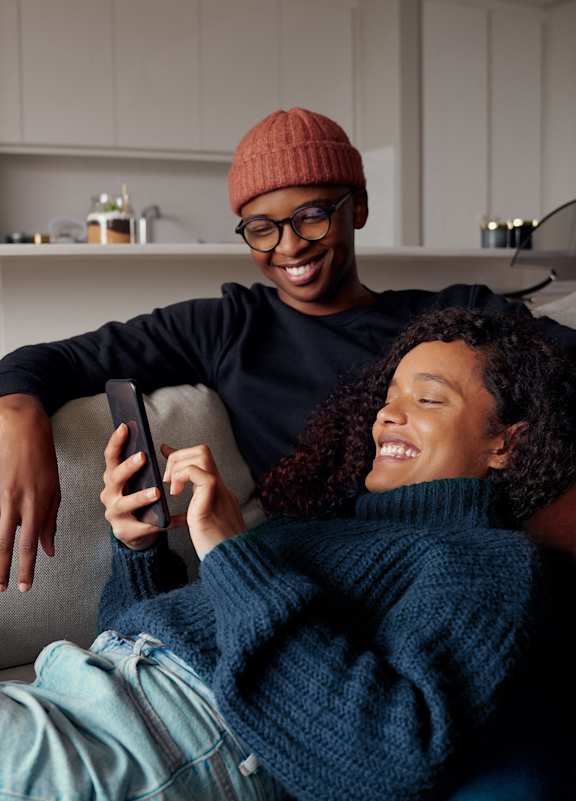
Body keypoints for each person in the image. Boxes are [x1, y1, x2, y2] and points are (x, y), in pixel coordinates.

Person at [1, 308, 574, 801]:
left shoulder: (485, 560)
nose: (389, 413)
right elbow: (145, 641)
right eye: (389, 395)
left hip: (136, 761)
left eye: (428, 401)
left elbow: (384, 770)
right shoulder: (321, 529)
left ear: (507, 442)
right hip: (77, 697)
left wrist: (231, 554)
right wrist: (141, 552)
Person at [0, 108, 575, 592]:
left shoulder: (454, 320)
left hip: (455, 575)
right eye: (261, 227)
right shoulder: (227, 326)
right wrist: (18, 410)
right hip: (322, 582)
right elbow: (56, 360)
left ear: (358, 210)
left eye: (313, 216)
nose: (289, 245)